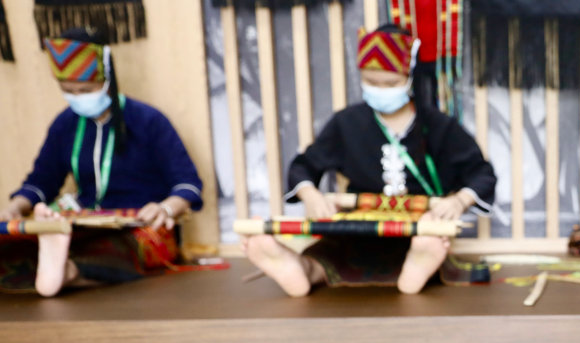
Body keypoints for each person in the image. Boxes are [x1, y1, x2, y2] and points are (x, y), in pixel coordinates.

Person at [245, 25, 496, 297]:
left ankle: (419, 263)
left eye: (391, 84)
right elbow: (303, 165)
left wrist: (459, 200)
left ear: (409, 77)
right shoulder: (347, 122)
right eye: (372, 82)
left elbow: (481, 173)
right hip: (359, 226)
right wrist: (311, 195)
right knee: (330, 254)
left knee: (430, 239)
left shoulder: (437, 125)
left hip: (418, 226)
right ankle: (300, 269)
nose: (381, 90)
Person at [0, 27, 203, 296]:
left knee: (119, 248)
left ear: (107, 80)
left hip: (139, 225)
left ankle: (67, 270)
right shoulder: (64, 124)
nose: (77, 97)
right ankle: (61, 265)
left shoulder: (148, 120)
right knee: (11, 246)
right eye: (68, 91)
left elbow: (188, 184)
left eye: (85, 90)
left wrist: (165, 208)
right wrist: (15, 208)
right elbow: (41, 181)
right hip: (82, 222)